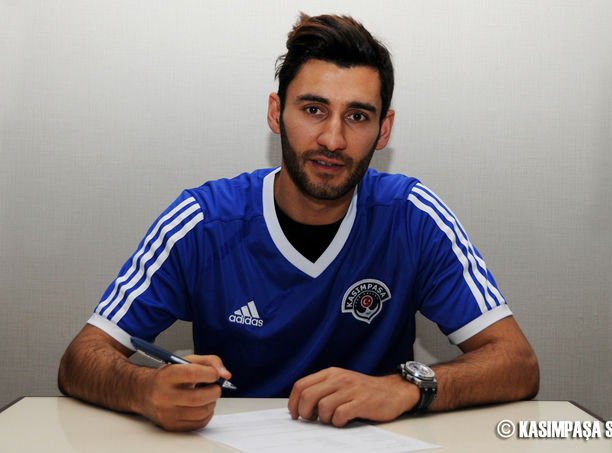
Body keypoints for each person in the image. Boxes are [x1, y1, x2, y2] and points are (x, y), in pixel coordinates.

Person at [58, 13, 539, 432]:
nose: (332, 138)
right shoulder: (203, 221)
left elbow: (517, 363)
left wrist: (405, 387)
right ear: (276, 113)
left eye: (357, 116)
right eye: (313, 110)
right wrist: (145, 390)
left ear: (384, 130)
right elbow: (80, 359)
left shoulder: (414, 218)